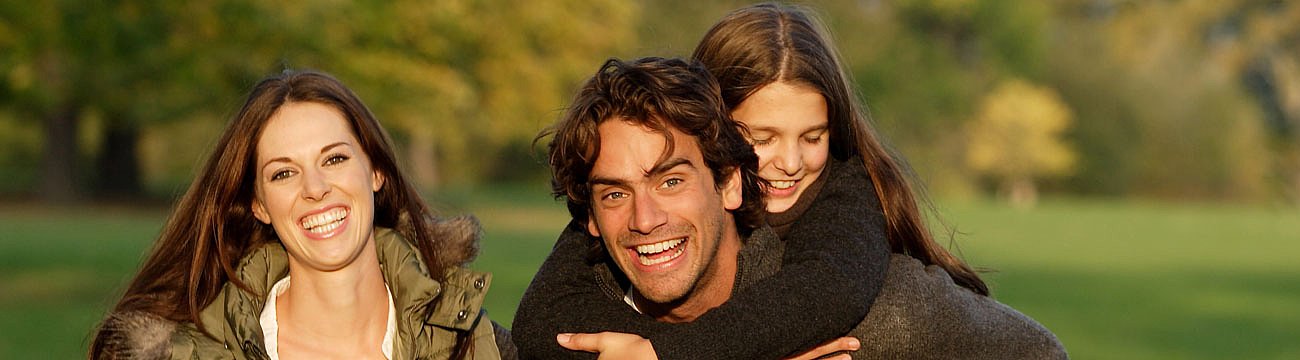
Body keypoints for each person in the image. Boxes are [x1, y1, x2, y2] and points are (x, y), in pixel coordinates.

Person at [512, 56, 1064, 359]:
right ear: (587, 218)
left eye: (671, 179)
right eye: (614, 193)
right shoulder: (578, 338)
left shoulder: (880, 316)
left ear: (730, 183)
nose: (644, 217)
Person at [88, 70, 512, 359]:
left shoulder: (476, 345)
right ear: (258, 204)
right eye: (284, 173)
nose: (315, 189)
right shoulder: (193, 352)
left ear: (377, 170)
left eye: (334, 160)